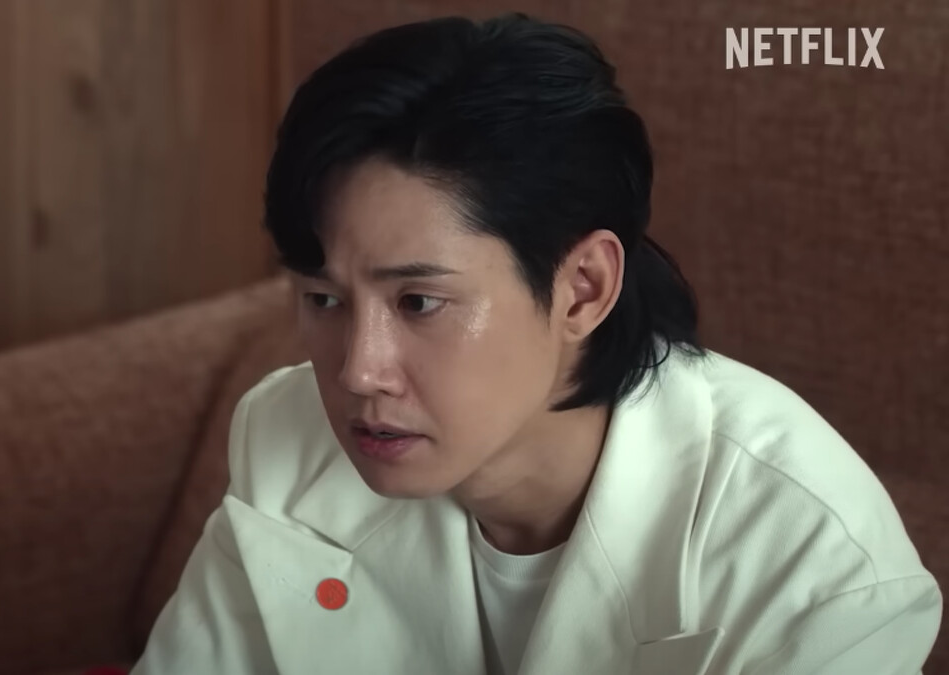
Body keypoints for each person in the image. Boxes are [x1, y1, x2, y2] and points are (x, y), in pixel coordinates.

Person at [132, 13, 942, 675]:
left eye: (419, 301)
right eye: (324, 299)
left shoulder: (808, 554)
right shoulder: (287, 433)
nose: (357, 370)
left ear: (583, 287)